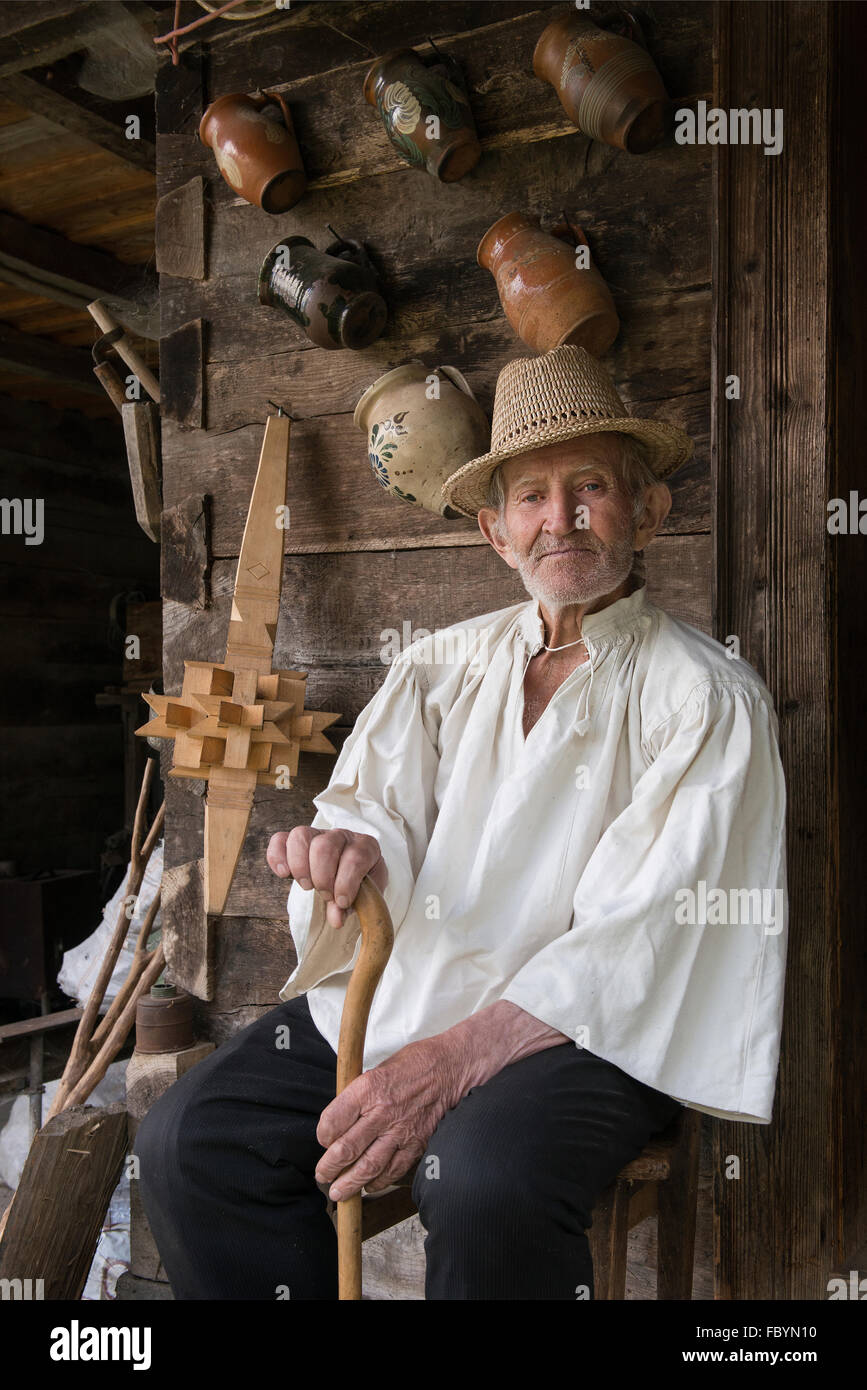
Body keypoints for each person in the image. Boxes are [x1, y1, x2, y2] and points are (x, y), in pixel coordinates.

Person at [136, 345, 788, 1300]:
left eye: (590, 486)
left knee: (485, 1178)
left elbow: (652, 932)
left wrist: (456, 1061)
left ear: (645, 512)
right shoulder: (438, 665)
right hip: (413, 994)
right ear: (494, 531)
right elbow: (373, 810)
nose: (557, 518)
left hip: (585, 1031)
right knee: (192, 1141)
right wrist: (350, 853)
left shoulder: (706, 696)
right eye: (530, 496)